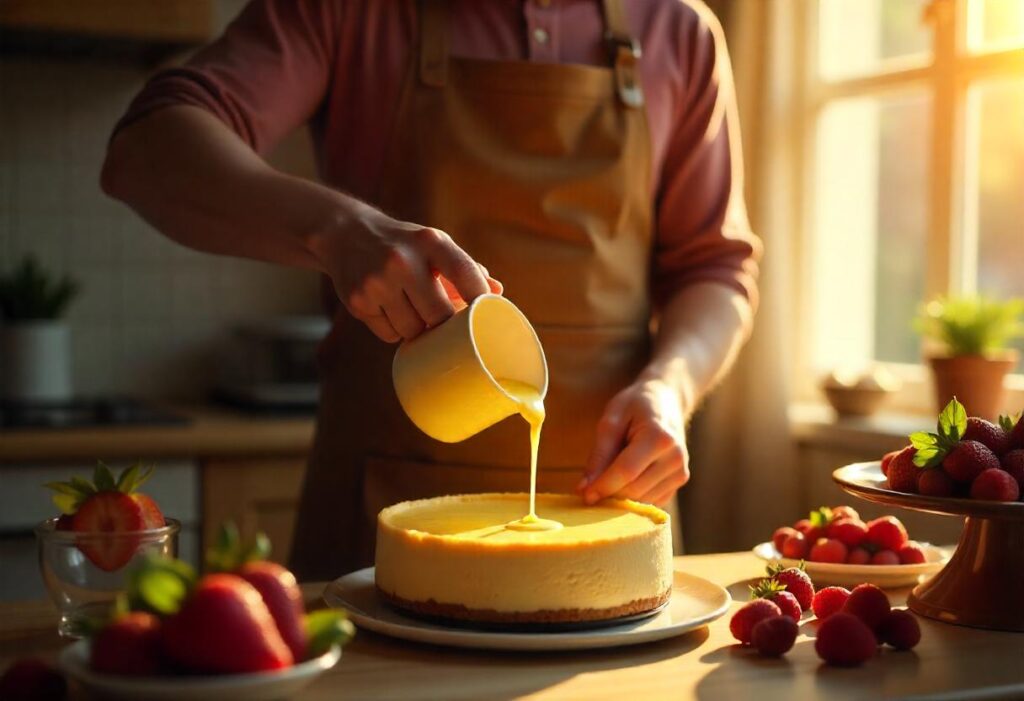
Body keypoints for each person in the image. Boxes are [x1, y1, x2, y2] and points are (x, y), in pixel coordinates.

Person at [102, 0, 760, 580]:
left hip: (611, 533)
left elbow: (714, 269)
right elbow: (146, 149)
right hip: (376, 527)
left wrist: (670, 386)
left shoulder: (680, 31)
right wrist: (337, 229)